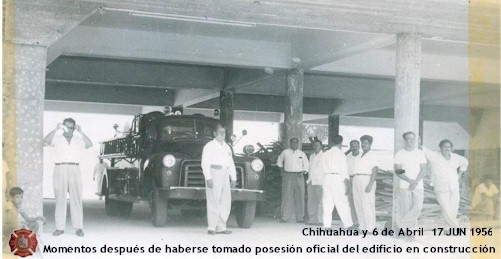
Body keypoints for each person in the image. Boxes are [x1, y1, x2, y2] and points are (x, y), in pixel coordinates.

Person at [43, 118, 93, 237]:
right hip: (60, 168)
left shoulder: (78, 139)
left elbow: (89, 144)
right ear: (62, 127)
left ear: (75, 128)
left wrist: (81, 132)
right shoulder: (57, 138)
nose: (69, 130)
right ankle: (60, 228)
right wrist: (56, 129)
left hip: (74, 168)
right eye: (66, 127)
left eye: (71, 127)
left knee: (76, 199)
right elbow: (46, 140)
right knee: (60, 199)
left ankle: (78, 228)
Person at [422, 139, 468, 228]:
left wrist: (458, 175)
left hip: (454, 187)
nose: (447, 149)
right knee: (446, 209)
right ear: (440, 148)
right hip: (441, 188)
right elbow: (424, 149)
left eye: (449, 147)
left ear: (451, 148)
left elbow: (465, 162)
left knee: (453, 209)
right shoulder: (434, 156)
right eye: (444, 147)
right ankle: (456, 227)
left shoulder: (456, 157)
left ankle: (448, 228)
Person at [201, 123, 236, 235]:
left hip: (225, 174)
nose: (222, 134)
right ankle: (211, 227)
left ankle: (221, 227)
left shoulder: (227, 147)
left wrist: (233, 178)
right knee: (213, 200)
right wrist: (208, 178)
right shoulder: (209, 146)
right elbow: (205, 163)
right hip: (214, 173)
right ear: (214, 133)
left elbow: (231, 163)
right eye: (220, 132)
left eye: (224, 132)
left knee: (225, 201)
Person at [394, 132, 427, 234]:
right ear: (405, 140)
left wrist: (415, 182)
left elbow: (423, 170)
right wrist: (409, 181)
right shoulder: (400, 153)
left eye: (413, 139)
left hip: (418, 185)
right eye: (409, 139)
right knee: (406, 209)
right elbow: (398, 170)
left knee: (418, 208)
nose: (411, 141)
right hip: (404, 185)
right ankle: (408, 233)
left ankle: (399, 224)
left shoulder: (420, 153)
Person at [322, 135, 353, 229]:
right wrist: (347, 184)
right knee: (342, 202)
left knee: (327, 202)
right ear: (341, 143)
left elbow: (322, 168)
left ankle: (327, 225)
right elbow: (344, 171)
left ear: (331, 143)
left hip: (326, 178)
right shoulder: (341, 154)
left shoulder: (325, 154)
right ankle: (348, 225)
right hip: (337, 178)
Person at [277, 138, 309, 223]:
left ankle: (300, 218)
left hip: (299, 176)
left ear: (298, 144)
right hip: (288, 175)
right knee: (287, 196)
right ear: (290, 143)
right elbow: (279, 162)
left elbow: (306, 165)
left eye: (296, 143)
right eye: (292, 143)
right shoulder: (285, 152)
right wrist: (282, 172)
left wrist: (303, 171)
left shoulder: (302, 154)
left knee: (300, 197)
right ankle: (284, 217)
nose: (294, 144)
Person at [352, 135, 381, 231]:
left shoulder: (373, 155)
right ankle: (362, 226)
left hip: (367, 179)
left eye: (365, 143)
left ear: (370, 144)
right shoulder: (359, 155)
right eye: (362, 143)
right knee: (358, 204)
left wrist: (370, 184)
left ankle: (370, 228)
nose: (363, 145)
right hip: (357, 178)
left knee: (367, 204)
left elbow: (375, 170)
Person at [306, 140, 324, 225]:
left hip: (320, 182)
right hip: (311, 181)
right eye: (314, 145)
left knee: (321, 201)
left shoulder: (324, 156)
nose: (315, 147)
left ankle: (320, 220)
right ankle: (312, 219)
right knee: (311, 201)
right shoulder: (311, 156)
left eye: (317, 145)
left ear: (321, 146)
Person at [346, 140, 361, 227]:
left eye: (356, 146)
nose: (354, 148)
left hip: (358, 178)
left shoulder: (362, 156)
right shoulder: (348, 157)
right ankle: (354, 221)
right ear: (350, 147)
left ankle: (360, 221)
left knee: (358, 200)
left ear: (359, 147)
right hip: (349, 179)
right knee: (350, 201)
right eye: (352, 146)